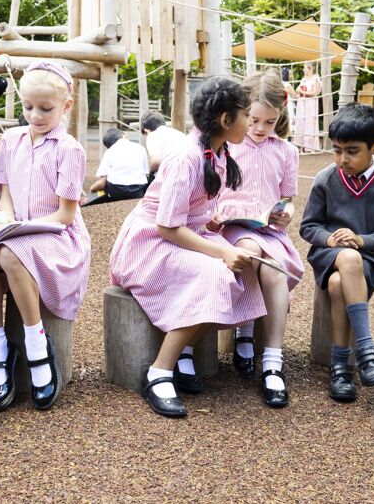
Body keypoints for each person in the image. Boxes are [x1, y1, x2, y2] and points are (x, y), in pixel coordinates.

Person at [110, 76, 265, 418]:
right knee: (216, 273)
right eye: (246, 116)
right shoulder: (186, 157)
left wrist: (211, 220)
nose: (250, 123)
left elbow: (189, 211)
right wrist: (222, 251)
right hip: (149, 243)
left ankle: (185, 350)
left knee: (245, 268)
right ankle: (159, 372)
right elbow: (166, 226)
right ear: (225, 120)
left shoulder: (218, 150)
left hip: (183, 234)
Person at [0, 61, 91, 411]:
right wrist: (8, 221)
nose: (35, 115)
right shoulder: (12, 140)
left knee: (9, 254)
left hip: (57, 235)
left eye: (45, 108)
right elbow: (5, 193)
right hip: (18, 229)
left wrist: (19, 230)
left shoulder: (69, 149)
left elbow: (65, 214)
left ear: (66, 106)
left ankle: (37, 345)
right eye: (27, 107)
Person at [299, 103, 374, 403]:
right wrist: (330, 239)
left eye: (352, 151)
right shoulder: (325, 178)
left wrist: (361, 239)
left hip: (368, 258)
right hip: (328, 255)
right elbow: (308, 227)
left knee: (338, 285)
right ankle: (367, 351)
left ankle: (340, 367)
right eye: (336, 150)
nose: (342, 159)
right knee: (346, 258)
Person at [217, 70, 304, 408]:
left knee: (274, 270)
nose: (260, 128)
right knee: (251, 252)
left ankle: (272, 361)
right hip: (231, 227)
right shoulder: (227, 145)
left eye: (269, 121)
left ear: (279, 116)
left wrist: (287, 213)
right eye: (254, 120)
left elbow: (287, 198)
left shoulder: (286, 151)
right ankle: (244, 329)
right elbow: (212, 192)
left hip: (269, 229)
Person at [87, 128, 149, 202]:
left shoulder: (109, 151)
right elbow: (146, 172)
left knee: (105, 180)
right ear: (124, 134)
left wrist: (92, 189)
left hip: (116, 191)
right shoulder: (141, 148)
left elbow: (102, 182)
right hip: (138, 191)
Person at [141, 111, 186, 180]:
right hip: (188, 175)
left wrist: (149, 172)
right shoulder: (179, 134)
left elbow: (155, 161)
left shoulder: (152, 135)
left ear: (146, 131)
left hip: (171, 178)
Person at [294, 62, 322, 151]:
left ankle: (309, 146)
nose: (303, 69)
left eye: (305, 67)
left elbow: (314, 93)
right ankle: (300, 145)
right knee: (301, 122)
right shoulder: (304, 79)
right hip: (302, 103)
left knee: (310, 123)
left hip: (310, 103)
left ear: (310, 68)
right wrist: (299, 92)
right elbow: (298, 89)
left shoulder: (315, 79)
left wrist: (302, 92)